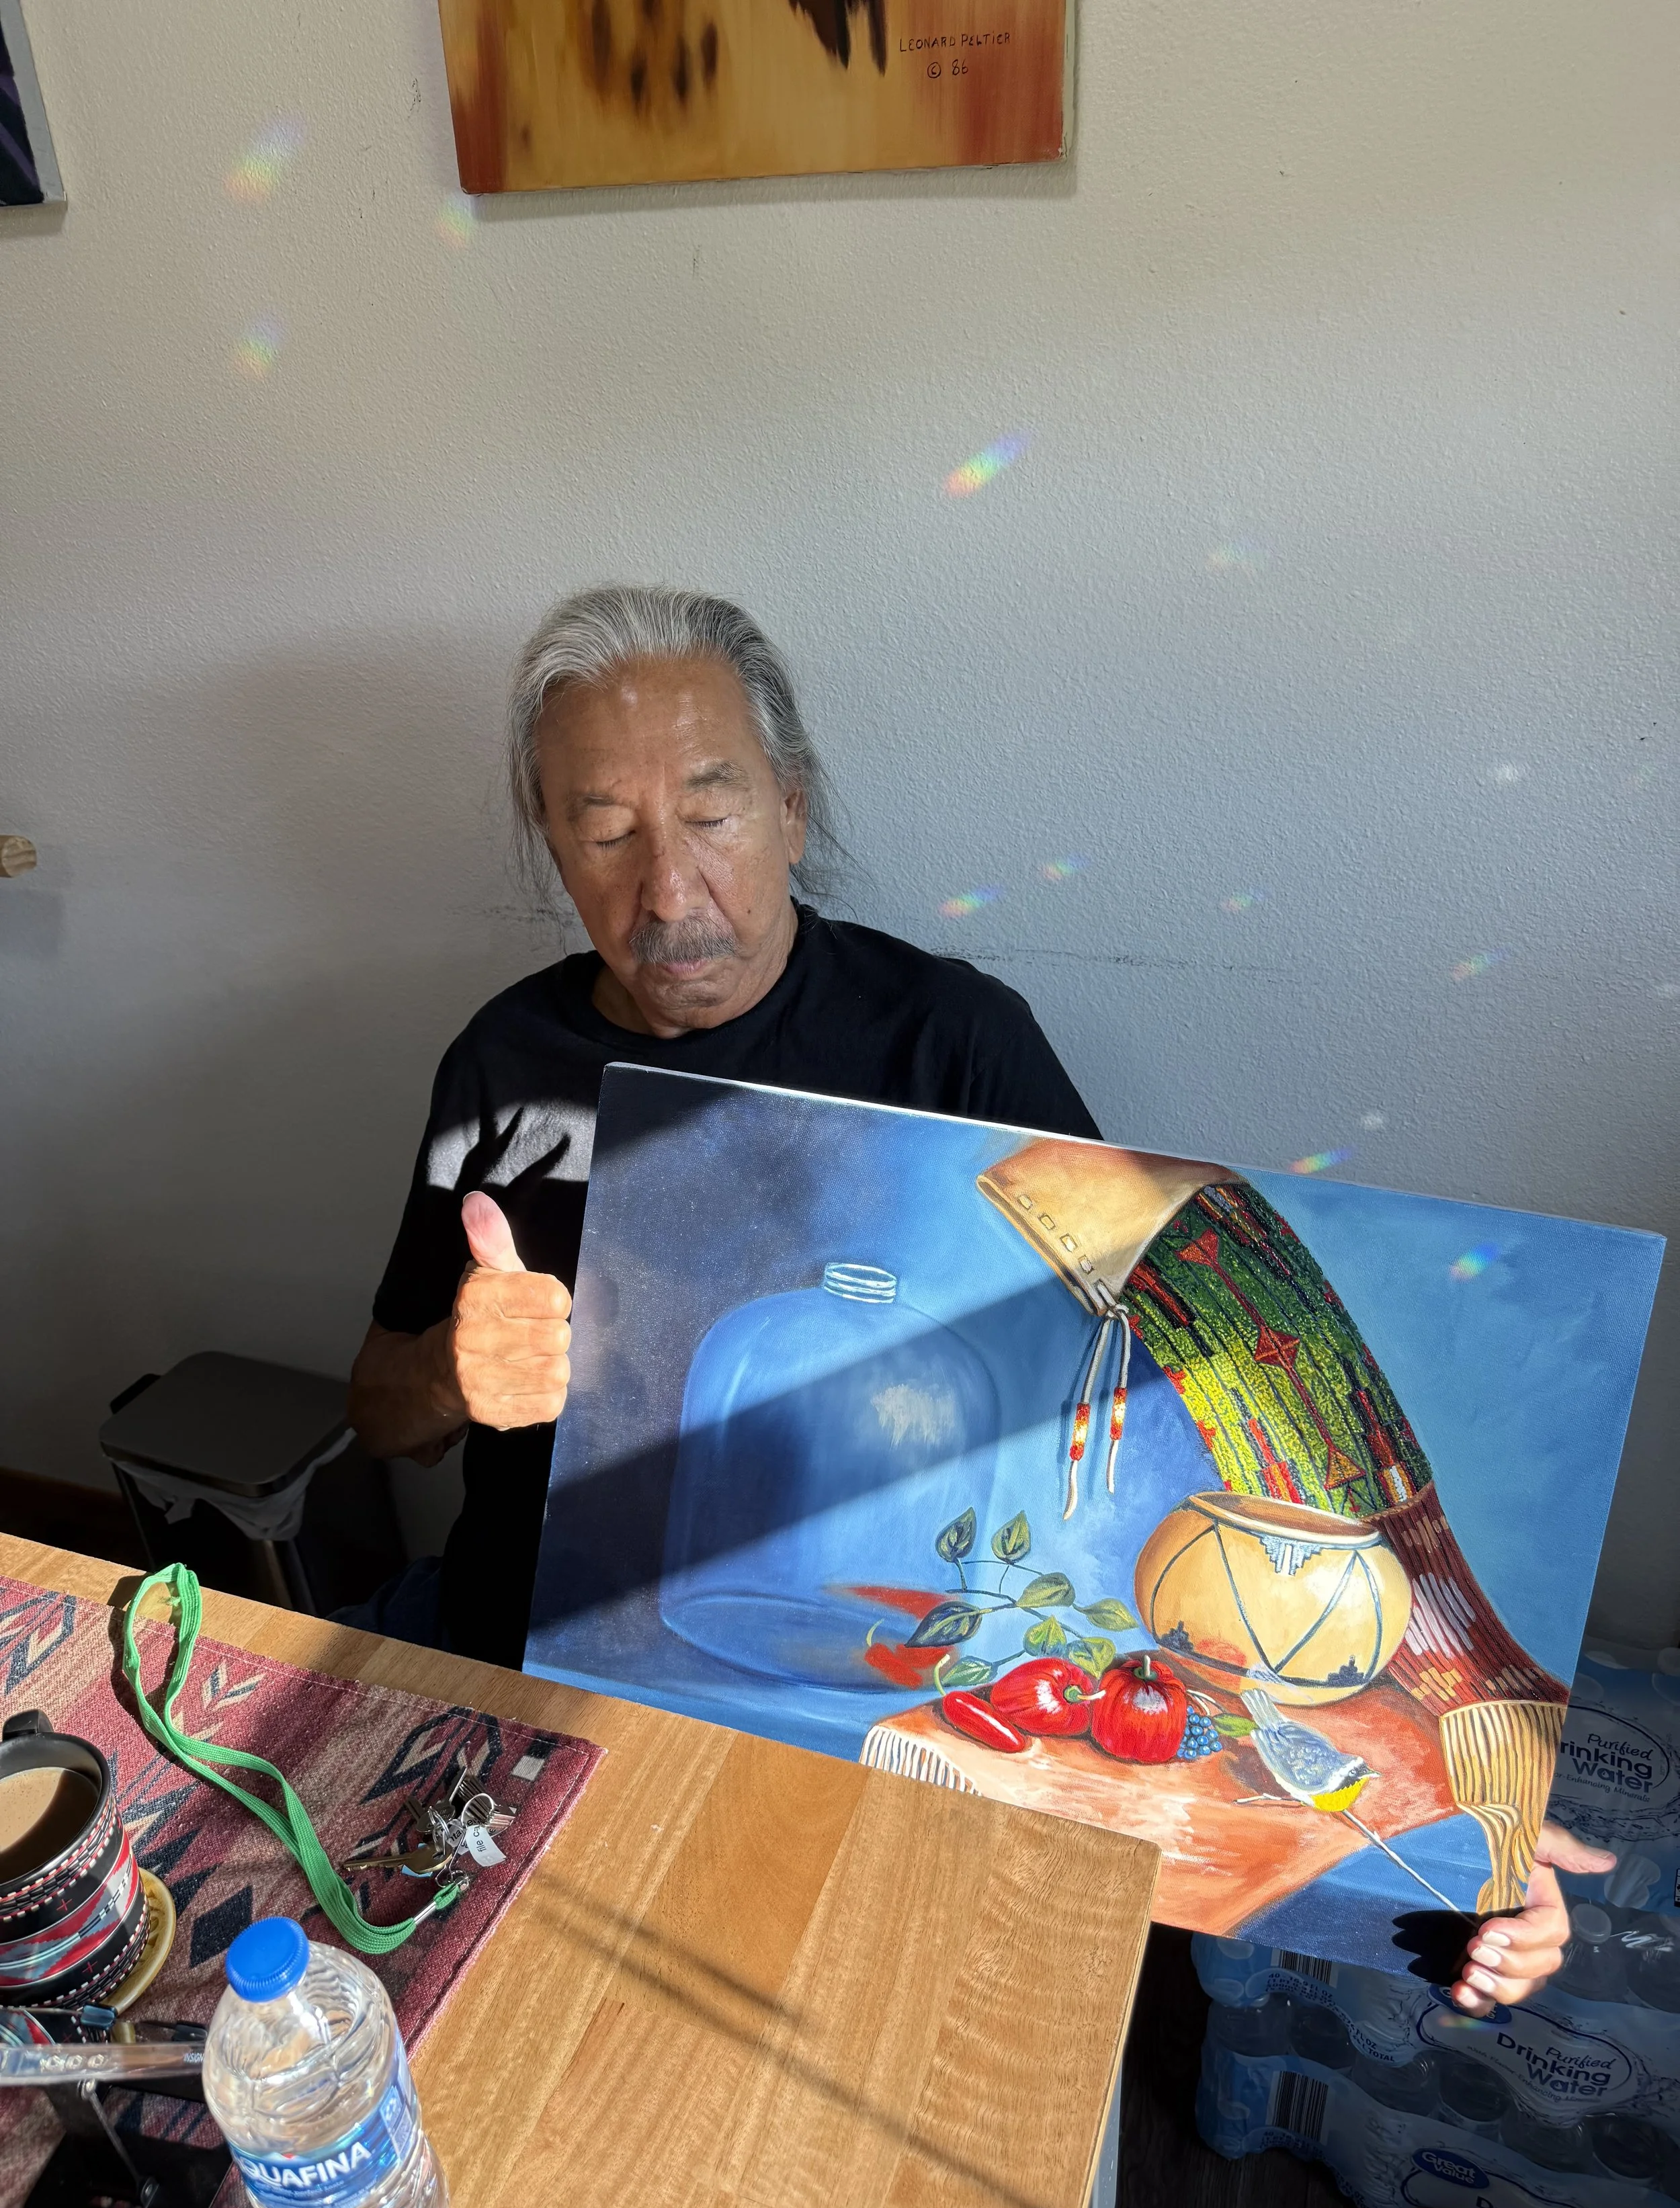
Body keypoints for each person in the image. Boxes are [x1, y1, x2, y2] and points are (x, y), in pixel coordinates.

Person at [347, 583, 1607, 2016]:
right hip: (539, 1674)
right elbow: (381, 1416)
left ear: (791, 809)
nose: (670, 890)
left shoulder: (953, 1045)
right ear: (552, 846)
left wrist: (1477, 1801)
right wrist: (451, 1374)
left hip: (870, 1704)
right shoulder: (499, 1065)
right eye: (605, 829)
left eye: (711, 812)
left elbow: (1213, 1366)